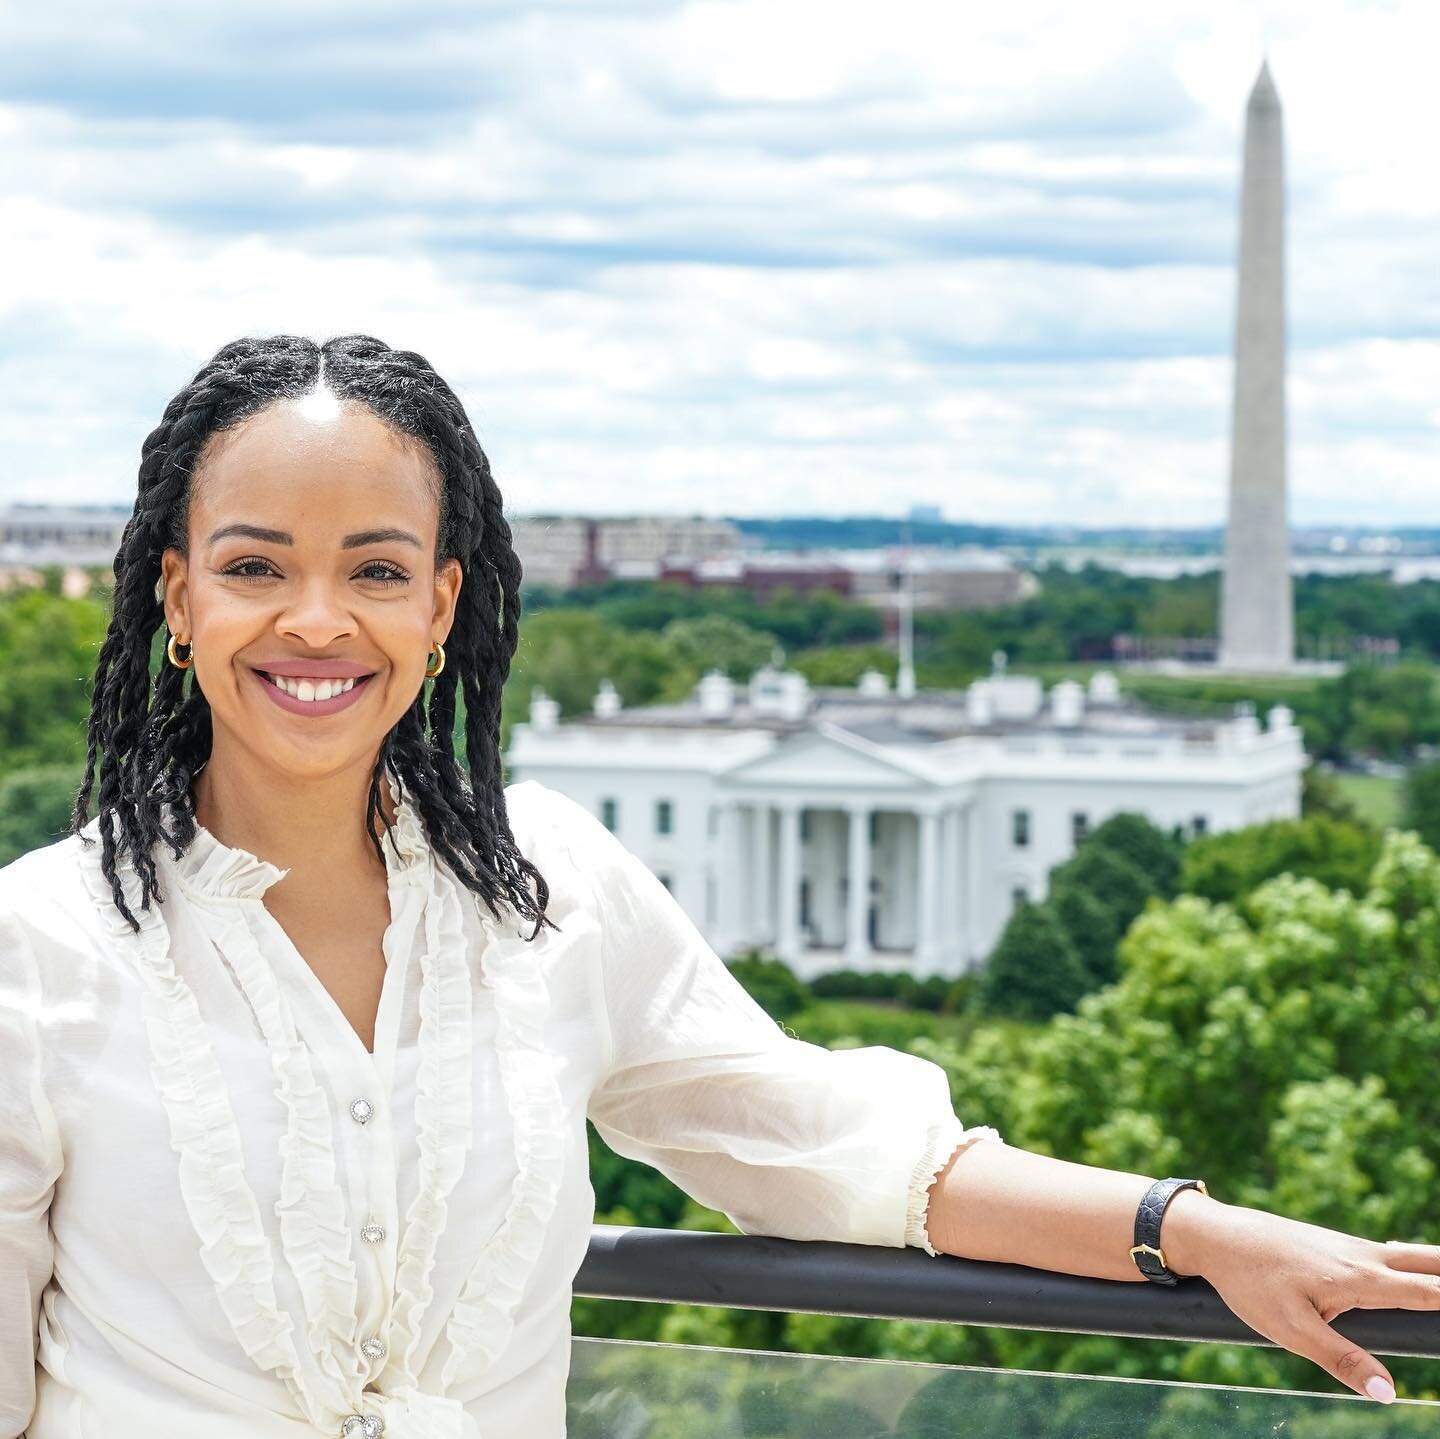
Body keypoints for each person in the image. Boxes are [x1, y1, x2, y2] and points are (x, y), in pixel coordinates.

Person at [0, 335, 1429, 1439]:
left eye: (375, 568)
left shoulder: (548, 888)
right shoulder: (37, 950)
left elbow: (832, 1149)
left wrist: (1192, 1231)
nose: (317, 620)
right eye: (257, 566)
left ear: (441, 606)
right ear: (177, 601)